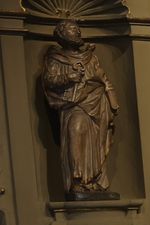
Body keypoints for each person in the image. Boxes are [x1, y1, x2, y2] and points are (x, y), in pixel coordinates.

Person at [41, 19, 119, 198]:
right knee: (75, 132)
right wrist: (69, 76)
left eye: (77, 28)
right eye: (72, 28)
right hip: (73, 105)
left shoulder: (91, 57)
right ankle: (77, 181)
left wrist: (112, 100)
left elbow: (103, 78)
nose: (77, 31)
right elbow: (49, 80)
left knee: (96, 141)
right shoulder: (55, 58)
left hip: (96, 104)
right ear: (62, 34)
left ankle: (94, 182)